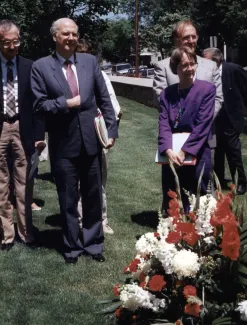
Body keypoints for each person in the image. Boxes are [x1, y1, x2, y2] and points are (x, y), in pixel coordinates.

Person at [31, 18, 118, 264]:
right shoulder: (41, 67)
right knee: (68, 199)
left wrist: (111, 131)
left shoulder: (90, 63)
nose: (71, 38)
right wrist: (65, 104)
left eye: (74, 34)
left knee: (93, 196)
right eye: (66, 34)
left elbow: (104, 99)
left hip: (91, 142)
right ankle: (71, 247)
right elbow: (38, 105)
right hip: (63, 145)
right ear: (55, 37)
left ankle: (93, 244)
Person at [153, 19, 223, 213]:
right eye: (186, 37)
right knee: (173, 191)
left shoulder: (210, 66)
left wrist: (201, 120)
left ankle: (202, 236)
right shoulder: (164, 67)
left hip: (204, 139)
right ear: (177, 39)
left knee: (203, 189)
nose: (191, 40)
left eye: (194, 36)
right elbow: (163, 107)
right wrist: (169, 147)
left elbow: (218, 99)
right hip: (173, 144)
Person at [0, 20, 44, 251]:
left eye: (16, 41)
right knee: (1, 184)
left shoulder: (30, 66)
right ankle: (6, 235)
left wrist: (39, 135)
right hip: (0, 129)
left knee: (24, 181)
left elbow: (38, 104)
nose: (13, 46)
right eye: (7, 42)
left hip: (22, 127)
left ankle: (26, 232)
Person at [76, 39, 123, 234]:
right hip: (76, 136)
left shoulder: (101, 75)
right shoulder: (69, 75)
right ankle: (80, 221)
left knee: (99, 181)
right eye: (80, 54)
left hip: (98, 135)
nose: (85, 57)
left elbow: (114, 108)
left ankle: (101, 220)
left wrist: (108, 133)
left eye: (88, 54)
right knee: (77, 182)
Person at [203, 48, 247, 194]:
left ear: (217, 60)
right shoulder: (205, 73)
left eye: (206, 60)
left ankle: (240, 182)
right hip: (214, 119)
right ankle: (219, 180)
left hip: (231, 119)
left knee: (233, 151)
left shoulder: (233, 69)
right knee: (218, 152)